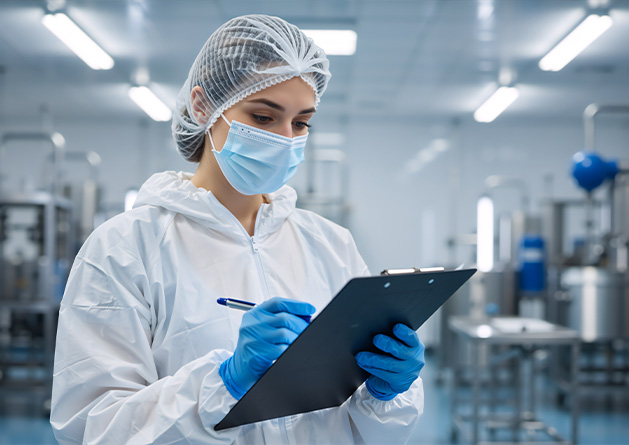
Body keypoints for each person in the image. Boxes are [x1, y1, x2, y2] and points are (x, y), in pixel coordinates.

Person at [50, 14, 425, 444]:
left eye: (300, 122)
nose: (286, 138)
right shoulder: (126, 247)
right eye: (264, 117)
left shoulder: (330, 243)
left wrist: (384, 393)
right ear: (203, 106)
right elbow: (93, 427)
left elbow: (369, 427)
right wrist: (223, 384)